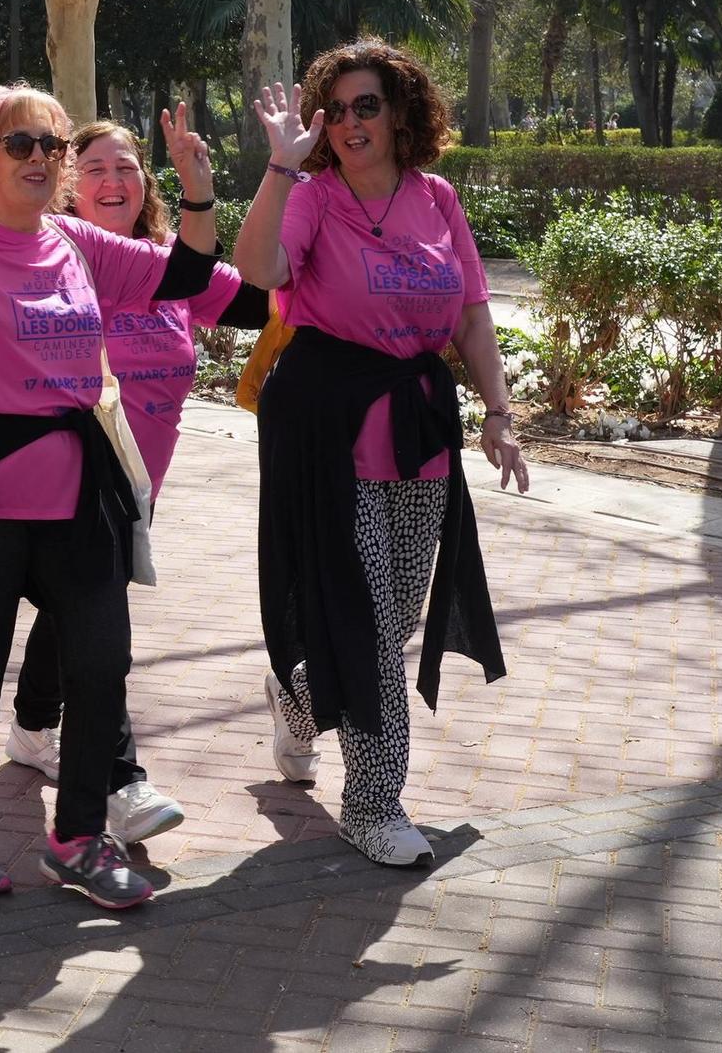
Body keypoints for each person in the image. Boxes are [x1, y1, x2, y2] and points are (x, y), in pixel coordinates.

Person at [0, 83, 221, 910]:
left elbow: (190, 272)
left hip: (78, 488)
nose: (40, 159)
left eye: (51, 146)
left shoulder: (76, 241)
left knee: (101, 659)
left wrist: (198, 189)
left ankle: (77, 837)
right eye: (21, 144)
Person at [233, 44, 524, 868]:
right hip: (327, 423)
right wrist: (279, 169)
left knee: (394, 615)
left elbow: (470, 316)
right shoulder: (313, 196)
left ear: (401, 112)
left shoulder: (437, 197)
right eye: (337, 109)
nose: (351, 122)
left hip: (417, 419)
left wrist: (498, 415)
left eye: (367, 105)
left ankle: (297, 698)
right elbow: (259, 271)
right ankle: (373, 803)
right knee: (362, 618)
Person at [4, 117, 269, 845]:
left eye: (126, 167)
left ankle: (31, 729)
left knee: (80, 607)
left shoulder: (166, 267)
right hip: (62, 475)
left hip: (138, 485)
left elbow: (265, 299)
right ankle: (119, 781)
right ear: (64, 182)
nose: (113, 181)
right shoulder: (48, 259)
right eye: (93, 168)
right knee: (99, 626)